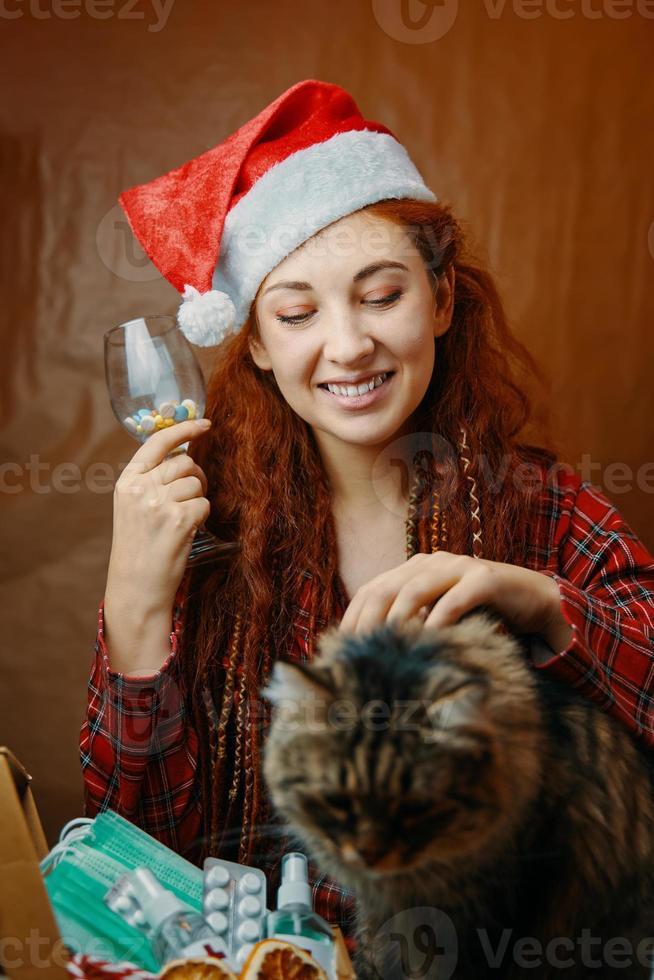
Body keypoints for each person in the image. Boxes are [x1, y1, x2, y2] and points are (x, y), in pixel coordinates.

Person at [80, 79, 654, 944]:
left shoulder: (545, 512)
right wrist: (133, 610)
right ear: (262, 346)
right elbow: (137, 859)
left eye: (382, 296)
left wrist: (539, 602)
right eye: (299, 312)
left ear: (443, 301)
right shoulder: (209, 538)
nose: (348, 345)